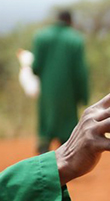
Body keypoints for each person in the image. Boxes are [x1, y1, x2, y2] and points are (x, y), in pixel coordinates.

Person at [32, 10, 90, 155]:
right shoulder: (75, 40)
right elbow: (80, 72)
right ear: (70, 21)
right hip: (68, 93)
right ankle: (66, 156)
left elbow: (35, 67)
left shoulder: (41, 37)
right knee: (67, 123)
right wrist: (83, 95)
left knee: (47, 120)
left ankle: (44, 147)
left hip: (47, 90)